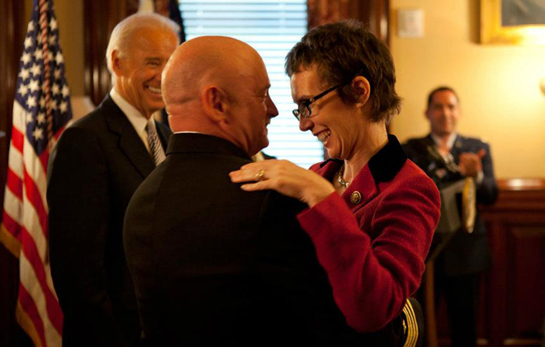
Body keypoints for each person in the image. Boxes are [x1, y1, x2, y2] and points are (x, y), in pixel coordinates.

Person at [124, 35, 374, 347]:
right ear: (217, 103)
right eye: (262, 95)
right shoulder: (268, 199)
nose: (273, 110)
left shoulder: (140, 199)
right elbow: (334, 327)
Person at [229, 20, 441, 343]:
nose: (305, 125)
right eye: (299, 109)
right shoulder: (320, 173)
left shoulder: (411, 188)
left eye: (309, 104)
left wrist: (322, 197)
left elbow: (374, 308)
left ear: (359, 91)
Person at [47, 13, 178, 346]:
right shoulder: (84, 140)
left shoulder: (167, 138)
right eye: (152, 62)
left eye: (170, 63)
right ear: (117, 63)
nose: (163, 76)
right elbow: (77, 274)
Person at [401, 86, 499, 347]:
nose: (446, 113)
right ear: (427, 113)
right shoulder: (411, 149)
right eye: (438, 107)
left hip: (467, 252)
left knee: (465, 329)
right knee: (418, 327)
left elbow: (491, 194)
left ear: (460, 111)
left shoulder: (477, 148)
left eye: (451, 106)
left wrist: (475, 176)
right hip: (423, 252)